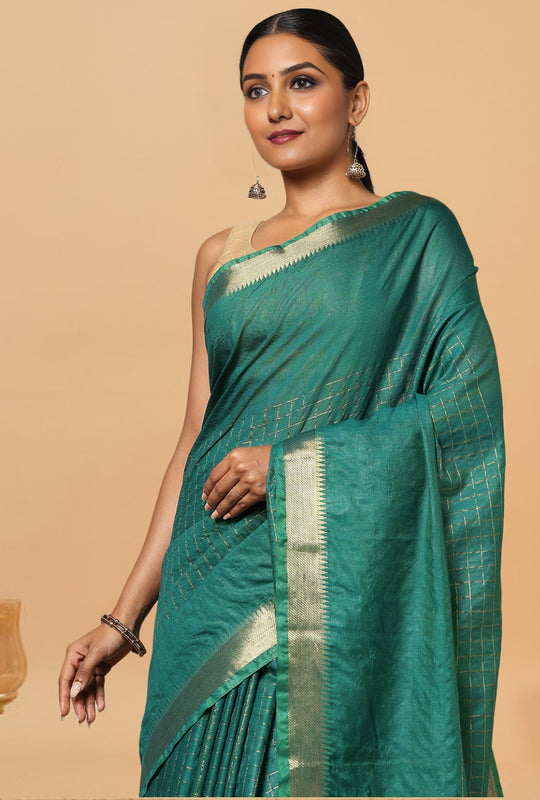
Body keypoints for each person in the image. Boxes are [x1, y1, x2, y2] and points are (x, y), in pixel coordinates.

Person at [59, 9, 504, 798]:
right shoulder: (220, 259)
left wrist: (295, 467)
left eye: (302, 82)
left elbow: (463, 415)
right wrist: (122, 621)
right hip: (208, 586)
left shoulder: (418, 236)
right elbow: (193, 439)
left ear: (356, 100)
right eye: (255, 89)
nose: (276, 108)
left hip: (336, 583)